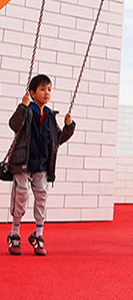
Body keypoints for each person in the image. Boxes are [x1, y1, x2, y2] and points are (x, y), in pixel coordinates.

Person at [6, 74, 76, 256]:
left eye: (49, 89)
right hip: (23, 164)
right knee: (20, 197)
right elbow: (14, 125)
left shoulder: (50, 116)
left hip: (42, 166)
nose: (47, 93)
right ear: (32, 93)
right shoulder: (27, 111)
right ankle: (14, 232)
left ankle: (38, 234)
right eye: (42, 89)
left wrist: (69, 127)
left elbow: (57, 139)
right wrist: (22, 106)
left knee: (42, 198)